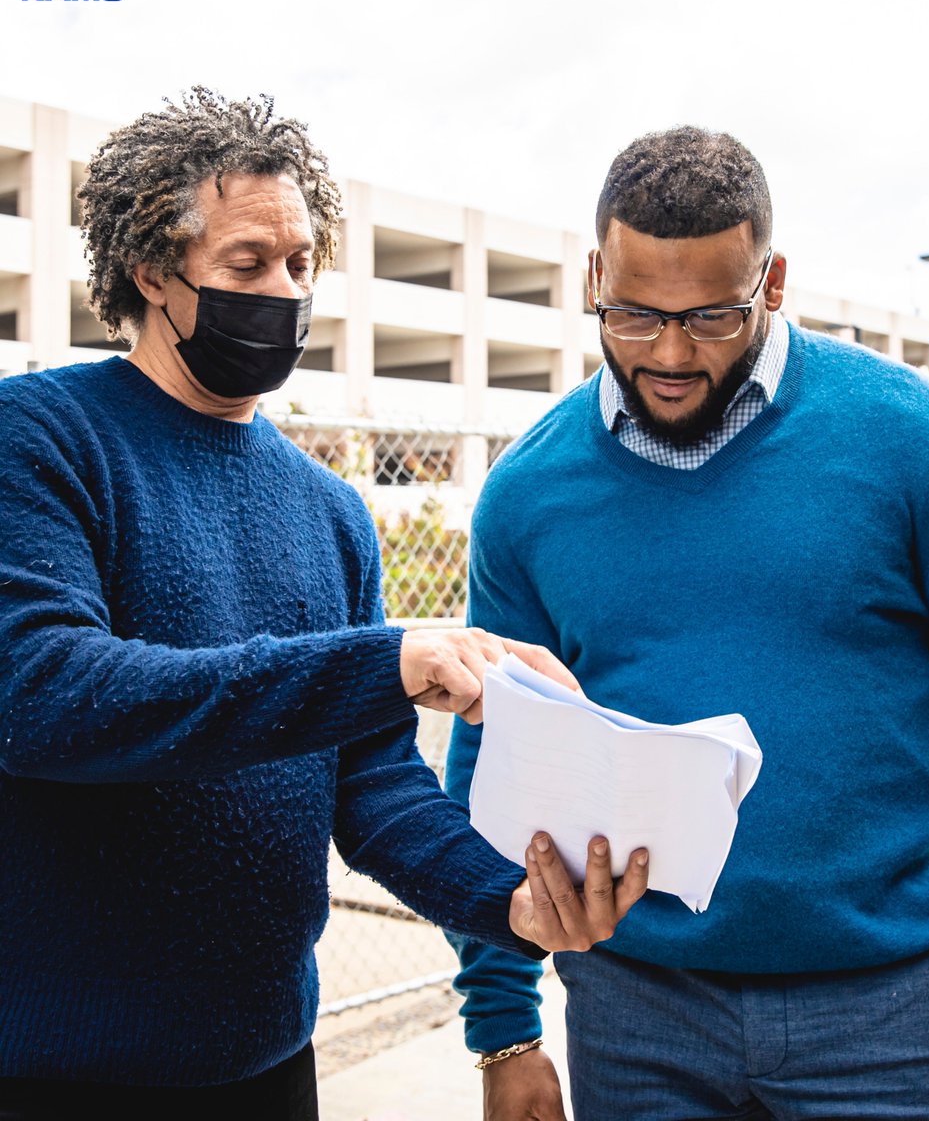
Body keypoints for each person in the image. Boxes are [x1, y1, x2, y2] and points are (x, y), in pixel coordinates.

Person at [0, 87, 650, 1121]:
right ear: (150, 271)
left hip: (270, 1063)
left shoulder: (330, 512)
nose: (285, 290)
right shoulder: (38, 438)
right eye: (248, 264)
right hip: (56, 1073)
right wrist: (386, 659)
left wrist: (514, 905)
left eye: (301, 263)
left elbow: (375, 785)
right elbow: (45, 693)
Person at [444, 125, 929, 1120]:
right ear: (595, 273)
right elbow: (485, 775)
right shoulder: (526, 495)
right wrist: (502, 1026)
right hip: (638, 1020)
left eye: (712, 317)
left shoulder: (920, 447)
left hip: (897, 1016)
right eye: (634, 314)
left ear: (771, 284)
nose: (671, 355)